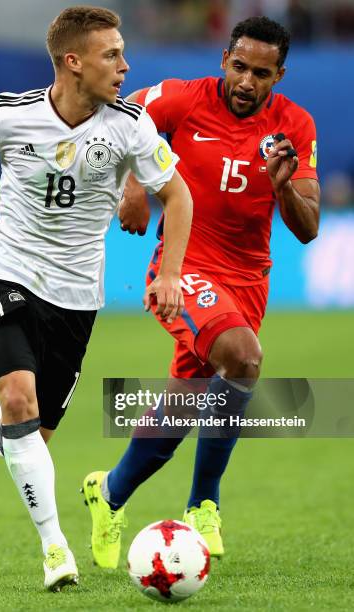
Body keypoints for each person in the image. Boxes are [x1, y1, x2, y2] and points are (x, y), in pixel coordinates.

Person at [0, 6, 192, 591]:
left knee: (21, 440)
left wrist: (170, 272)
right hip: (8, 274)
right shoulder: (10, 114)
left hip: (76, 298)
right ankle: (56, 552)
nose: (125, 66)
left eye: (123, 53)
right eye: (111, 55)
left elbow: (177, 195)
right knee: (18, 401)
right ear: (73, 63)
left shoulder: (130, 126)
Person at [83, 16, 320, 569]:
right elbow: (123, 115)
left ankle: (109, 493)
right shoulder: (183, 99)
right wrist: (136, 185)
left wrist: (284, 187)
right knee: (242, 358)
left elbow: (308, 228)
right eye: (239, 67)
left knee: (183, 405)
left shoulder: (295, 126)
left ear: (278, 75)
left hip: (249, 282)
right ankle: (204, 503)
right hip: (183, 269)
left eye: (261, 73)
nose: (246, 82)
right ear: (224, 60)